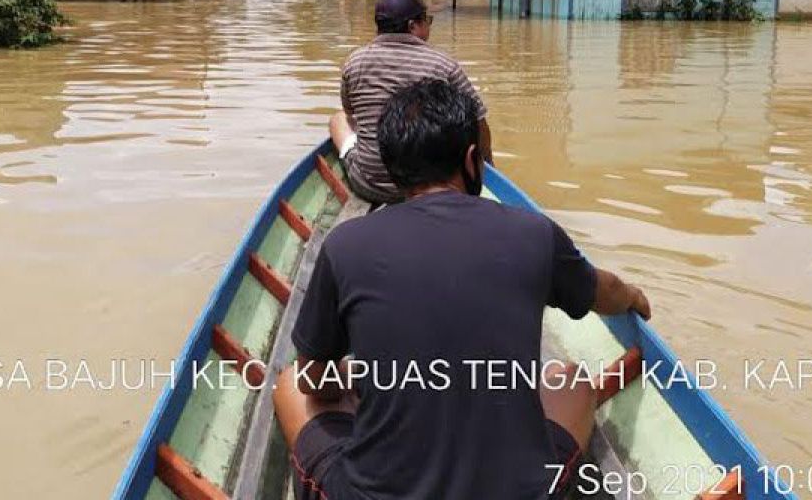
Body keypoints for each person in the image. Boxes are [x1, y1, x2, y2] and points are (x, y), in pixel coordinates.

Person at [274, 79, 652, 500]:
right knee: (575, 383)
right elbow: (605, 291)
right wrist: (634, 296)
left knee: (291, 384)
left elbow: (313, 380)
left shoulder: (346, 245)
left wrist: (358, 378)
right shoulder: (533, 233)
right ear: (473, 160)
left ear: (392, 165)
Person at [330, 0, 492, 205]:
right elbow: (478, 122)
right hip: (429, 187)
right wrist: (486, 163)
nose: (429, 27)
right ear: (413, 26)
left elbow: (351, 113)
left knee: (339, 118)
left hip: (369, 184)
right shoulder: (443, 65)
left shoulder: (354, 62)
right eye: (428, 21)